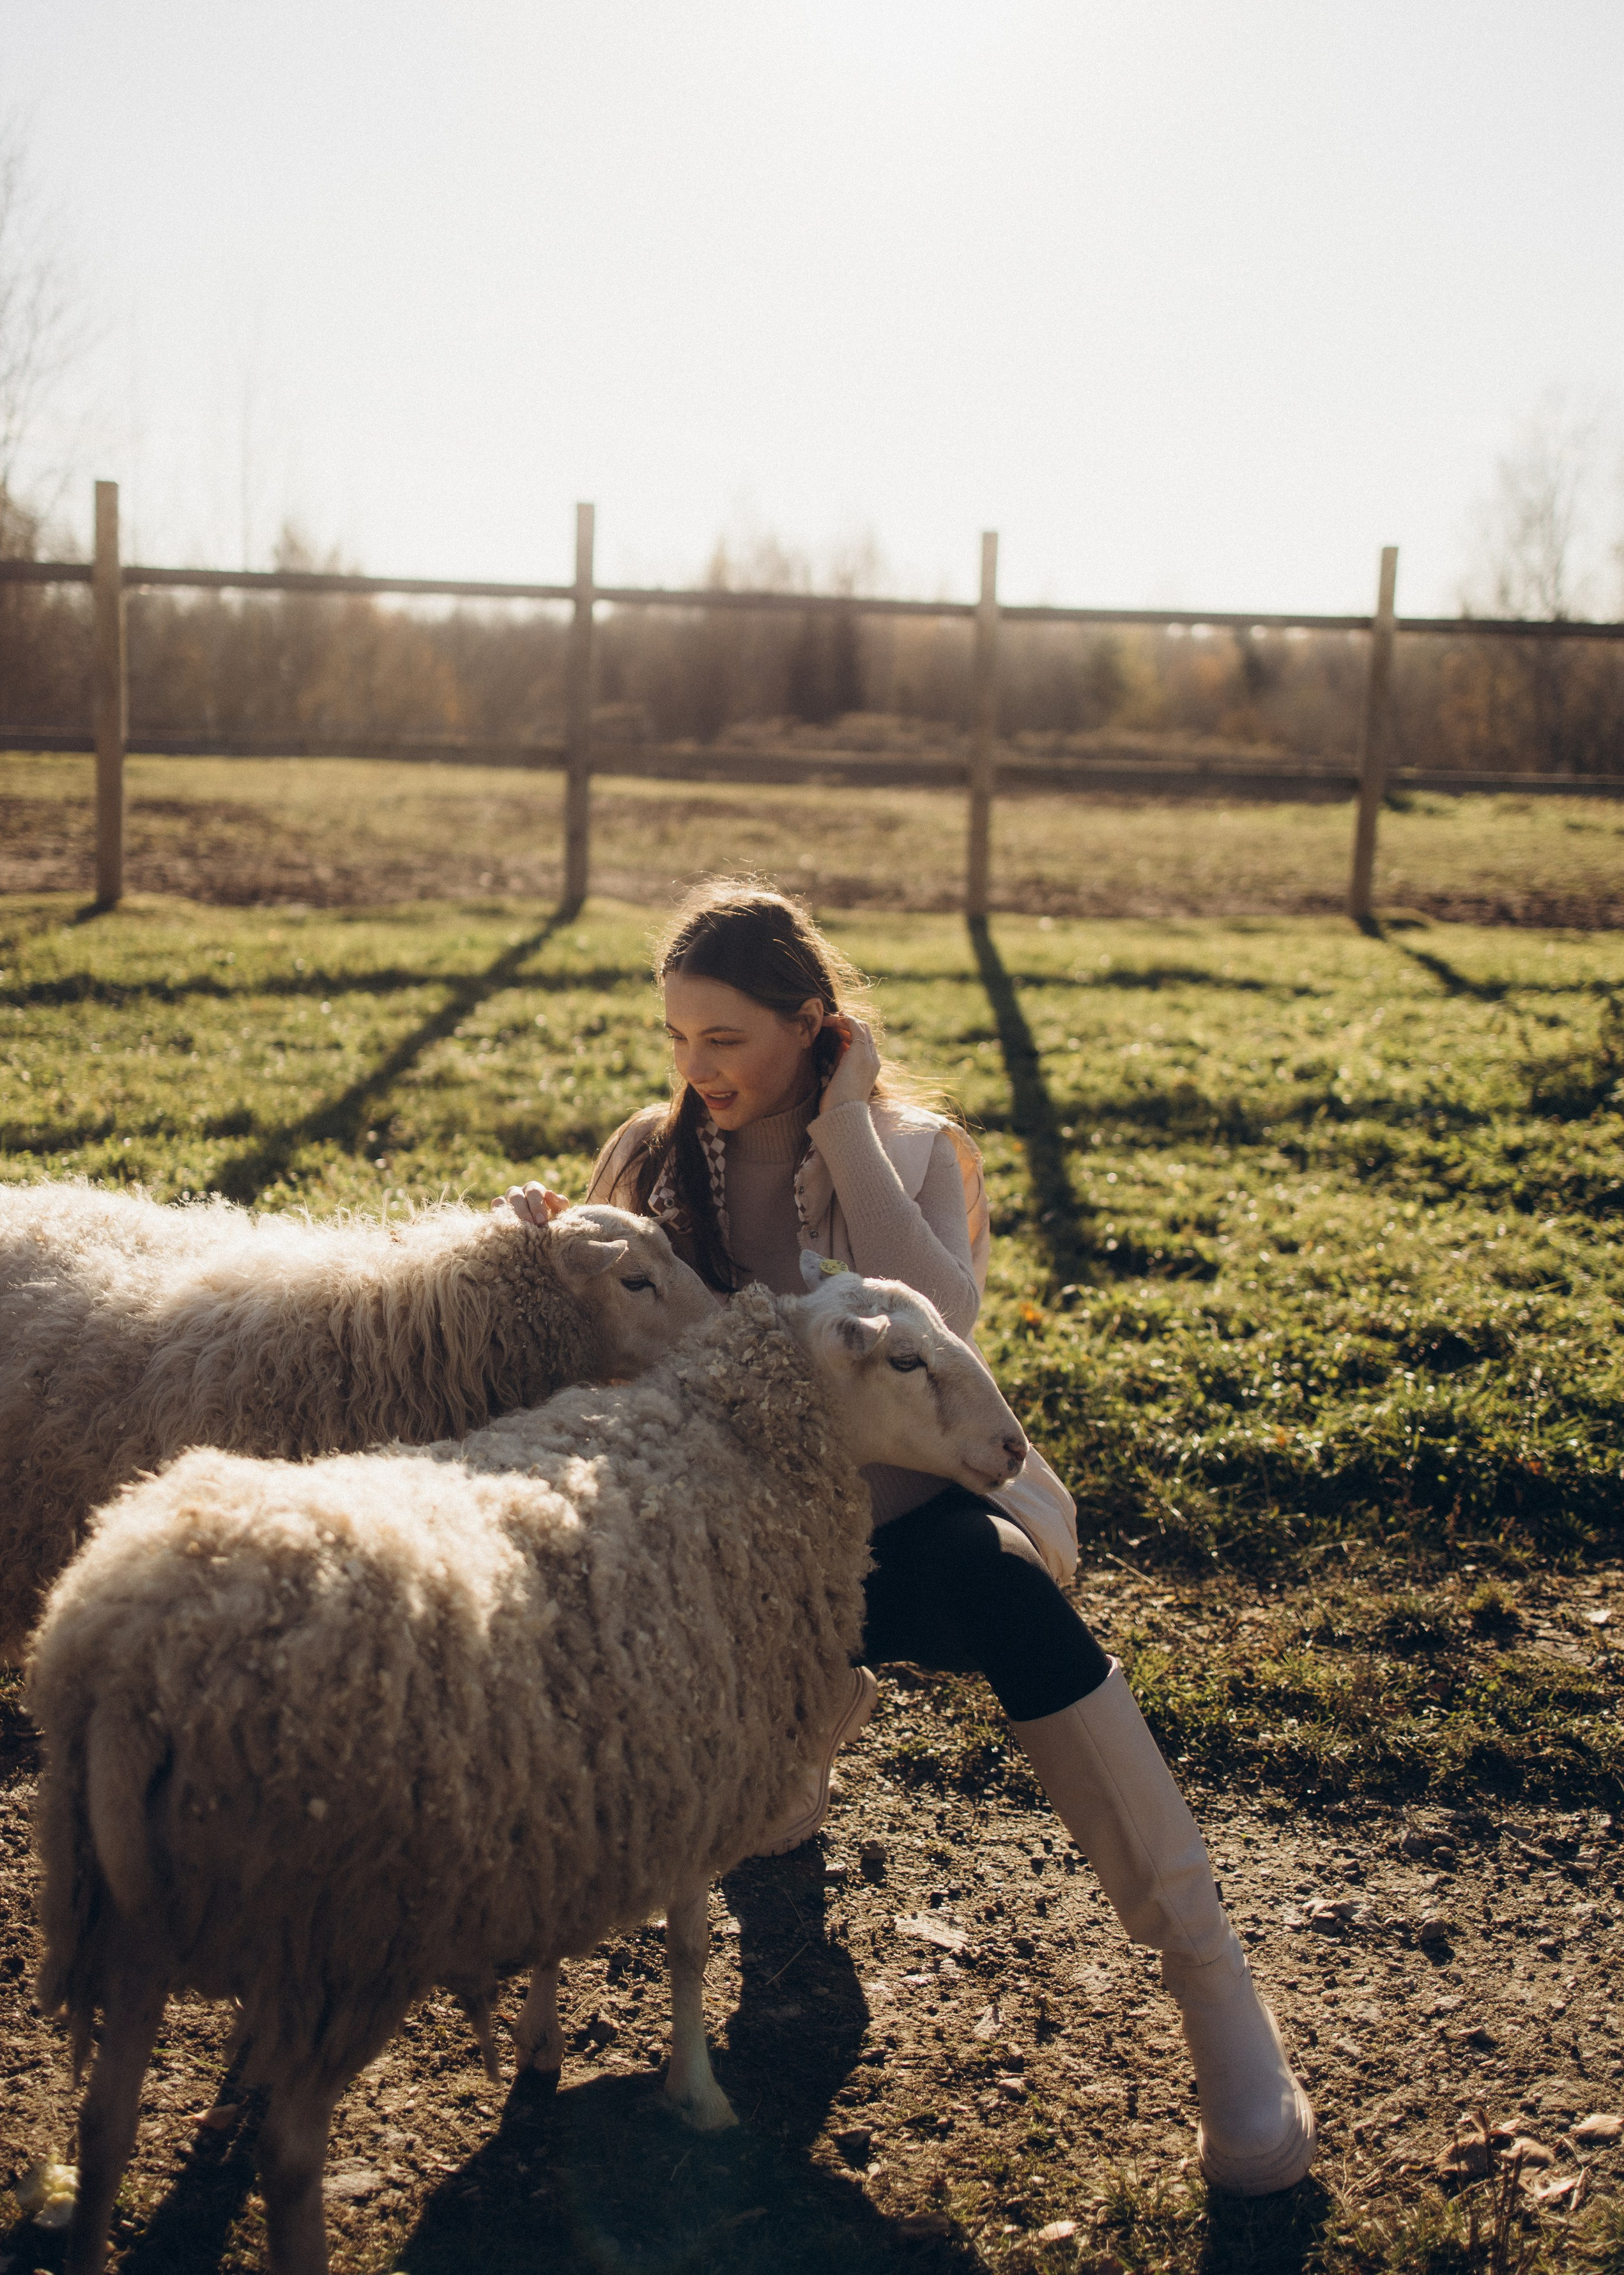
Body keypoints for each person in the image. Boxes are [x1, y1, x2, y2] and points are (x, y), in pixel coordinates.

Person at [498, 882, 1314, 2196]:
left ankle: (1215, 1999)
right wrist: (540, 1245)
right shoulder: (645, 1161)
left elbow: (940, 1322)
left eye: (727, 1040)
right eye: (677, 1039)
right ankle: (798, 1717)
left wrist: (845, 1131)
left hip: (905, 1535)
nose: (696, 1070)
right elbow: (605, 1360)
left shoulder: (910, 1146)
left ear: (809, 1026)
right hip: (731, 1556)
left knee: (1017, 1608)